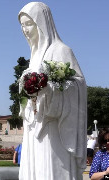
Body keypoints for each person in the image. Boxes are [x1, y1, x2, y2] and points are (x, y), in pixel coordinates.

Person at [18, 2, 87, 180]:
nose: (25, 30)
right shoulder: (33, 58)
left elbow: (78, 85)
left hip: (54, 128)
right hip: (34, 128)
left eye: (29, 24)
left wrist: (50, 90)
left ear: (41, 24)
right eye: (22, 25)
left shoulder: (61, 51)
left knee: (50, 170)